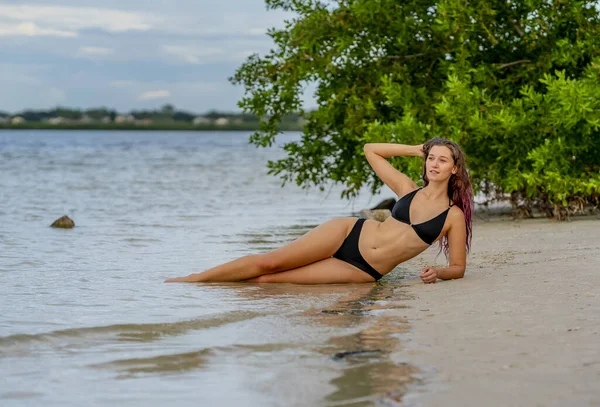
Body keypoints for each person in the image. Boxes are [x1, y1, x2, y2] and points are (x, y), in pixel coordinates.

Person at [165, 137, 474, 285]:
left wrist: (439, 272)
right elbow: (370, 149)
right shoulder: (408, 188)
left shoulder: (452, 216)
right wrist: (414, 149)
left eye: (442, 160)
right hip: (348, 233)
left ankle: (218, 291)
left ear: (455, 169)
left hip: (364, 270)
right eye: (431, 158)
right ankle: (195, 280)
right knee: (269, 262)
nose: (434, 164)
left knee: (268, 282)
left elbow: (458, 266)